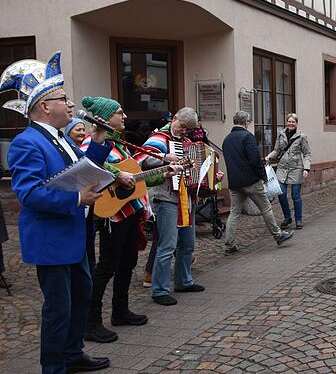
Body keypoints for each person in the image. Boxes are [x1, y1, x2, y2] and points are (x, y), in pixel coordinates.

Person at [3, 52, 113, 374]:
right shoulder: (28, 143)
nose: (70, 104)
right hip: (51, 240)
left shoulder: (60, 138)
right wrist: (78, 199)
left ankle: (72, 354)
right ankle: (53, 367)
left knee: (79, 300)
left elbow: (80, 171)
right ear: (44, 106)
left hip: (73, 235)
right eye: (63, 98)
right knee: (58, 309)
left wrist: (98, 141)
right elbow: (29, 193)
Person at [79, 97, 162, 343]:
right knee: (107, 266)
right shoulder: (92, 141)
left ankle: (120, 310)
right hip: (111, 214)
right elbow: (89, 163)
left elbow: (135, 178)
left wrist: (164, 173)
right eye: (119, 112)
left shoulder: (121, 144)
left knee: (128, 261)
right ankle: (91, 321)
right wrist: (117, 173)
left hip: (128, 210)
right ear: (105, 118)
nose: (124, 116)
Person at [135, 107, 205, 306]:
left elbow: (193, 169)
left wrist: (204, 181)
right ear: (174, 119)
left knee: (187, 244)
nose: (185, 132)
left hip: (186, 199)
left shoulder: (186, 143)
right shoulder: (160, 137)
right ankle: (159, 290)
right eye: (183, 127)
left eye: (188, 129)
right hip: (166, 199)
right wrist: (164, 158)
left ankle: (184, 281)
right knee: (167, 245)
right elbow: (141, 159)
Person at [222, 111, 294, 254]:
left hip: (235, 183)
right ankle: (278, 235)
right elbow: (255, 161)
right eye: (249, 121)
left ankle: (229, 245)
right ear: (246, 122)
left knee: (234, 213)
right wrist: (263, 176)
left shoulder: (227, 139)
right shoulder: (248, 137)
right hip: (251, 181)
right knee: (266, 208)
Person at [266, 113, 311, 230]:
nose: (291, 123)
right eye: (289, 121)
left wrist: (306, 168)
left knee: (295, 195)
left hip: (296, 168)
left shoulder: (302, 136)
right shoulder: (281, 135)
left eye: (293, 122)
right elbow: (277, 150)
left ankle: (299, 219)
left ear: (296, 123)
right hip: (282, 168)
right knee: (281, 193)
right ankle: (287, 217)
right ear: (286, 122)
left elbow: (307, 154)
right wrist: (269, 156)